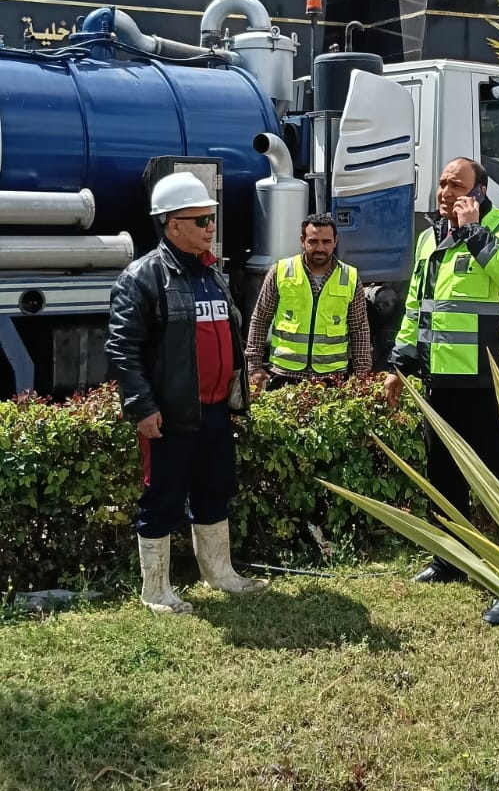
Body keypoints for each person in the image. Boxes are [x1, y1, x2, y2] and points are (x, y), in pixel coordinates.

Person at [384, 157, 499, 625]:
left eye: (457, 185)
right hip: (441, 378)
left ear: (481, 192)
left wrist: (475, 232)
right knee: (444, 476)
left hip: (492, 380)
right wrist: (400, 363)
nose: (446, 192)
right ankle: (449, 560)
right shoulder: (430, 237)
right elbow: (418, 305)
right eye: (442, 183)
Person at [106, 170, 267, 614]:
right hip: (170, 414)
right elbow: (122, 348)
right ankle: (155, 590)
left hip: (215, 410)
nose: (211, 227)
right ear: (173, 225)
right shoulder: (142, 277)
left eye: (211, 218)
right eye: (201, 220)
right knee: (162, 498)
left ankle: (220, 573)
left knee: (216, 488)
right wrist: (142, 406)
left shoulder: (212, 273)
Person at [245, 212, 372, 389]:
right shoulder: (280, 271)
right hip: (284, 375)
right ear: (302, 240)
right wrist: (254, 366)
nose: (320, 248)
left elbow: (359, 330)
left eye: (326, 242)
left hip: (332, 378)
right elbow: (260, 319)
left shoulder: (349, 277)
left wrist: (362, 376)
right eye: (313, 241)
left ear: (335, 241)